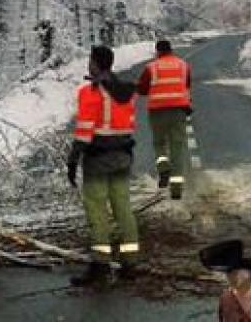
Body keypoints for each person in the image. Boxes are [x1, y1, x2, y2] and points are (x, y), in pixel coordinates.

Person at [67, 45, 139, 284]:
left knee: (97, 211)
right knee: (122, 208)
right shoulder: (126, 91)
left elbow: (85, 130)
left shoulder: (90, 92)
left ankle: (100, 264)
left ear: (96, 63)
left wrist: (73, 158)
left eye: (90, 60)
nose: (88, 64)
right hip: (123, 157)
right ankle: (130, 263)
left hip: (98, 159)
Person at [136, 38, 193, 199]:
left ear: (158, 51)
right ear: (171, 50)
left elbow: (142, 90)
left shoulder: (151, 68)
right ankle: (176, 190)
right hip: (178, 111)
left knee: (159, 143)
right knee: (177, 148)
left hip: (157, 111)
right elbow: (186, 86)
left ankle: (163, 168)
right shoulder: (184, 66)